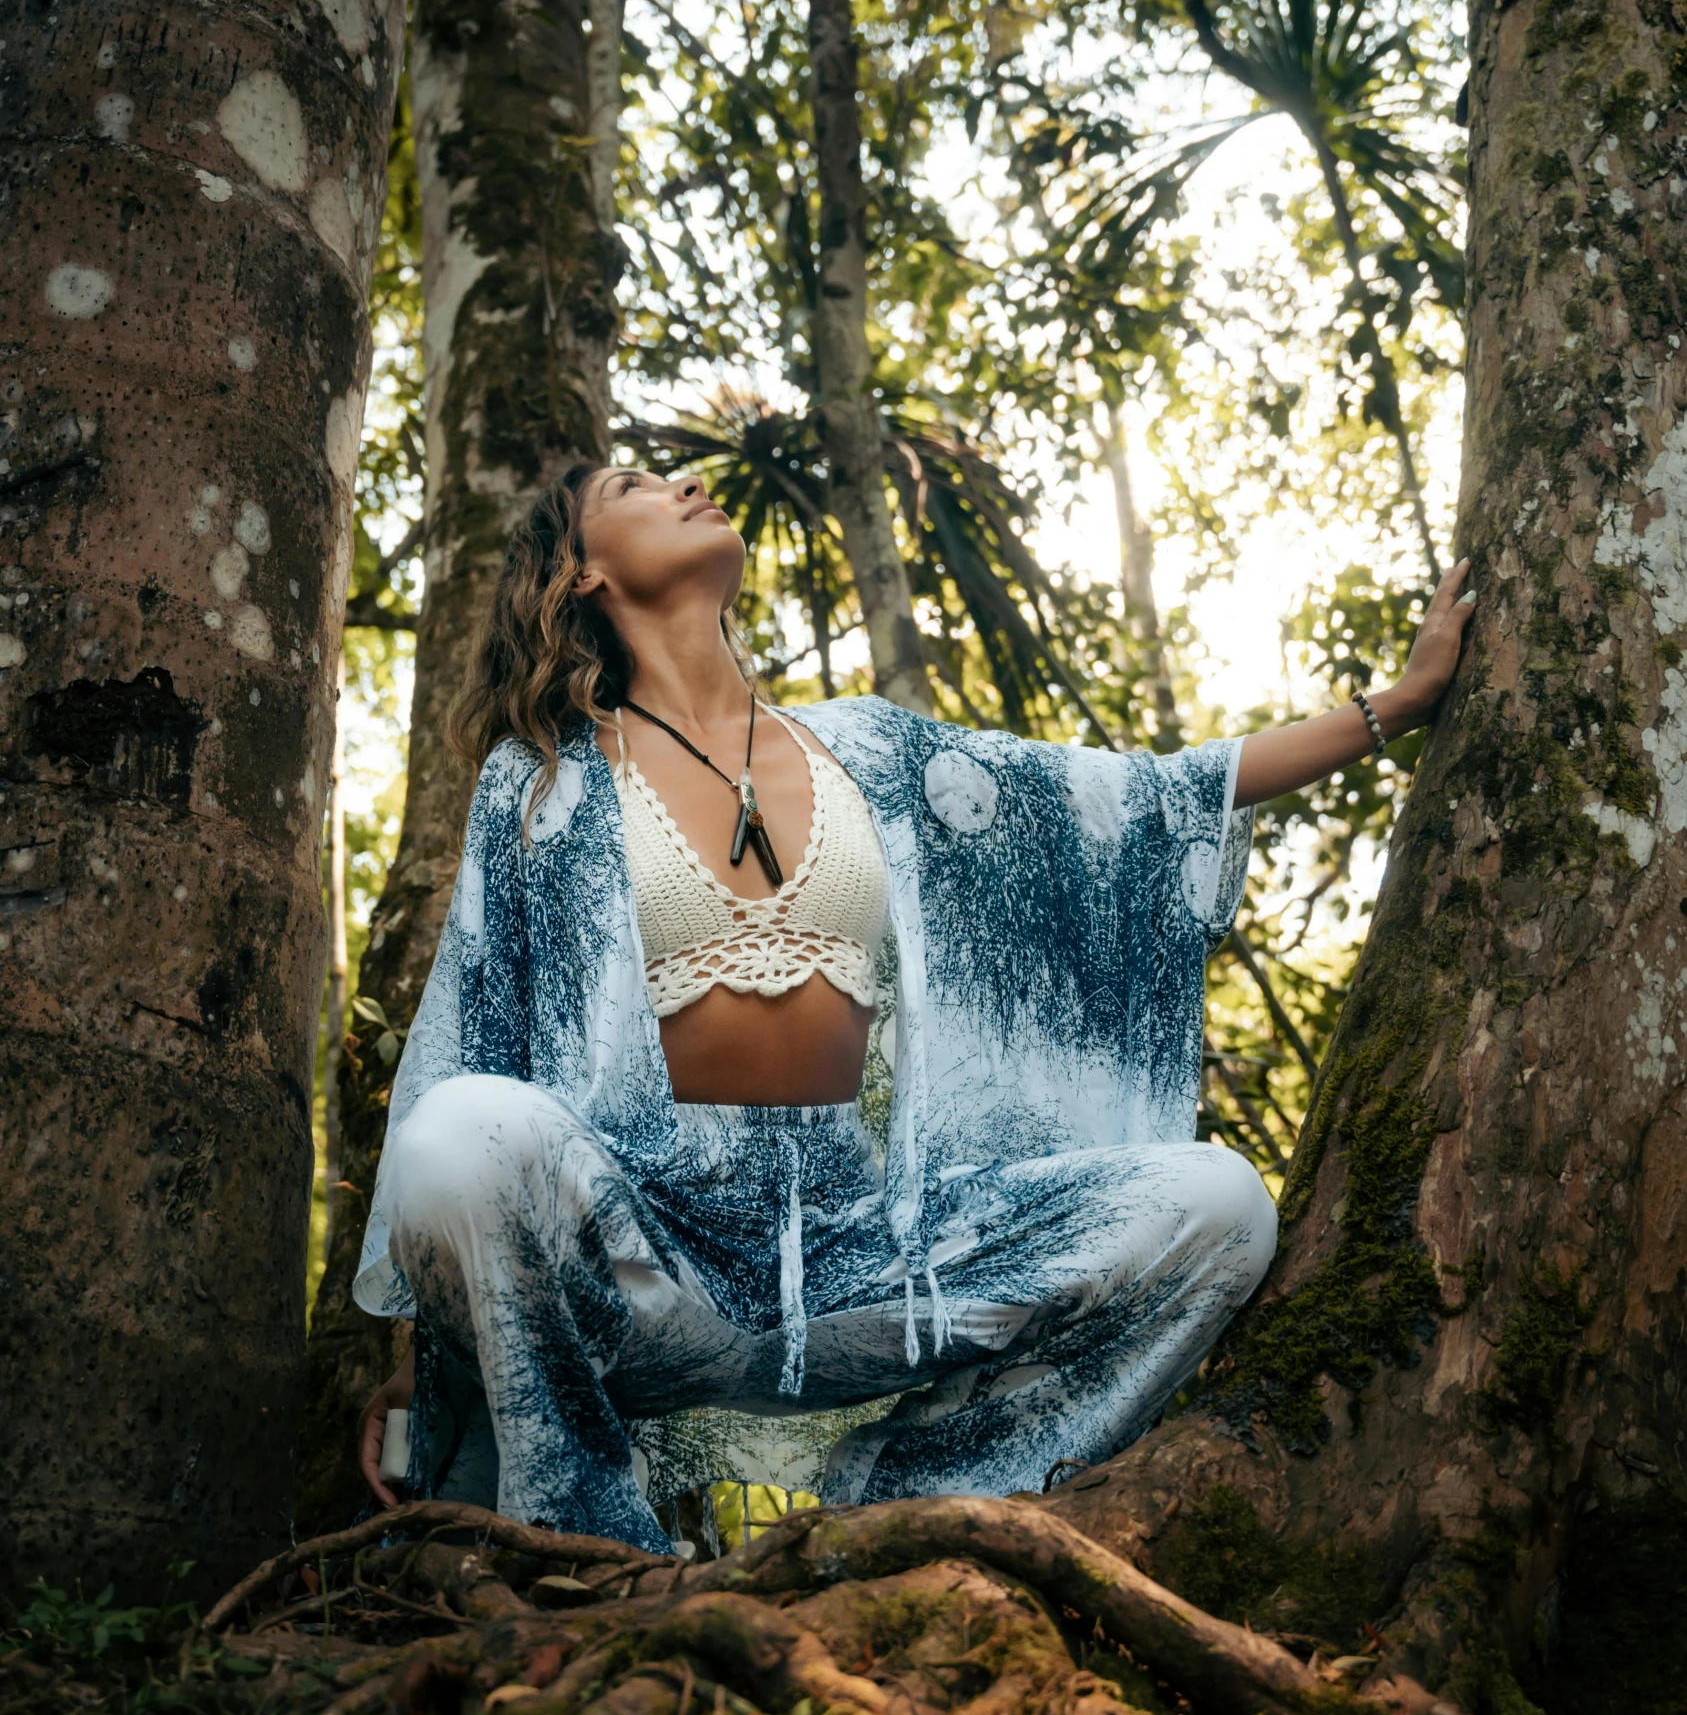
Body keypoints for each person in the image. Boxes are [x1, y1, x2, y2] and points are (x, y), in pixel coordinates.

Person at [352, 461, 1474, 1553]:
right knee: (455, 1132)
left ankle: (899, 1513)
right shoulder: (541, 779)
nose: (686, 482)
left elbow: (1140, 796)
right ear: (580, 573)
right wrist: (422, 1344)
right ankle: (584, 1538)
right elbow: (477, 1037)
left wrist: (1397, 704)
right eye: (635, 488)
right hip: (649, 1269)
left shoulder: (872, 749)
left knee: (1220, 1202)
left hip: (874, 1261)